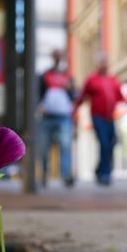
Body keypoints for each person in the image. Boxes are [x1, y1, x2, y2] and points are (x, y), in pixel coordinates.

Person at [73, 52, 125, 186]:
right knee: (104, 143)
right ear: (97, 64)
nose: (104, 64)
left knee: (111, 143)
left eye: (105, 61)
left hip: (110, 117)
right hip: (97, 117)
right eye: (101, 61)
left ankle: (99, 169)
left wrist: (126, 103)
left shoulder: (113, 79)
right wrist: (74, 109)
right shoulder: (92, 79)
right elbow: (83, 96)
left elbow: (119, 96)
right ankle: (105, 174)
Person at [38, 49, 75, 187]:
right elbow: (39, 93)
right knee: (45, 147)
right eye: (56, 56)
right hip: (47, 116)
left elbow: (73, 94)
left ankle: (65, 175)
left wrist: (70, 90)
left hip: (64, 116)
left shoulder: (68, 76)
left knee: (65, 146)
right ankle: (44, 174)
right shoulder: (45, 75)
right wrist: (40, 105)